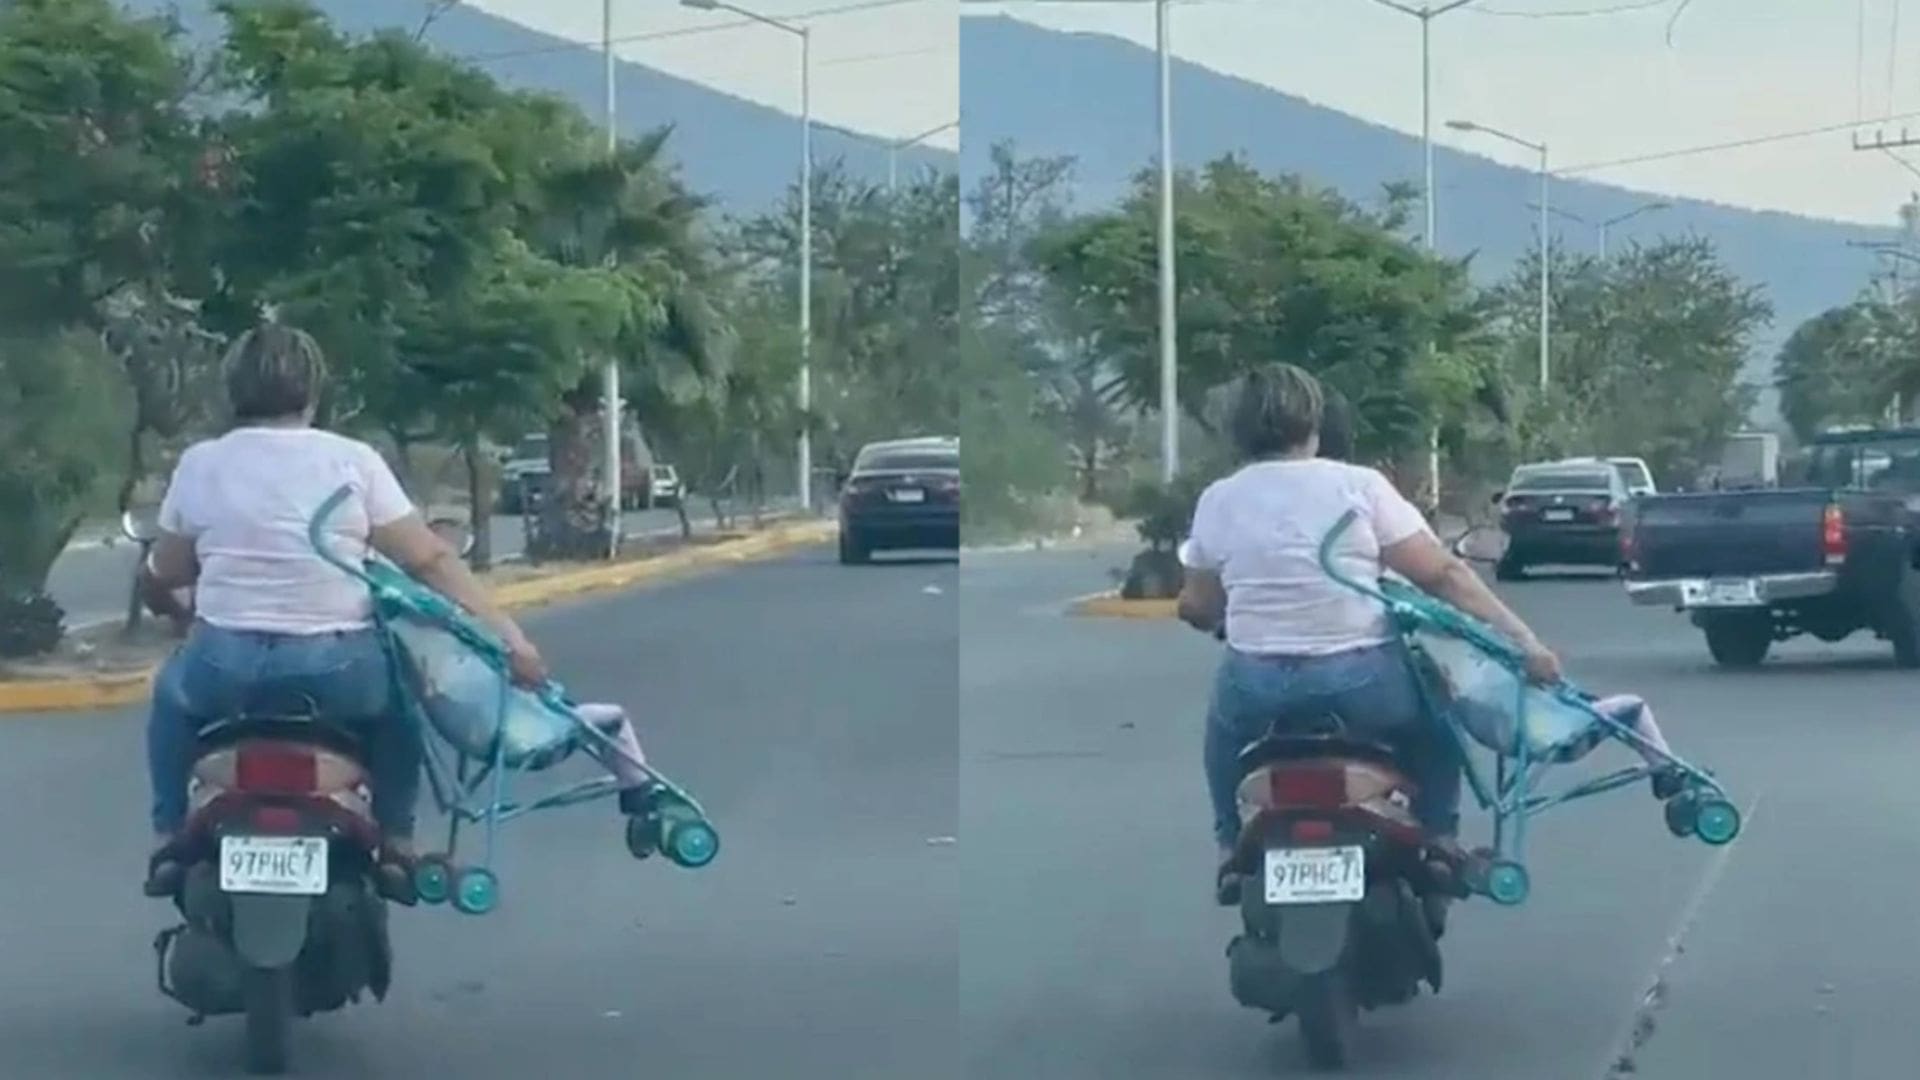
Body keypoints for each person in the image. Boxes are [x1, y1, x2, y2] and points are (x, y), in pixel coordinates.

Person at [140, 323, 549, 899]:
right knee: (397, 709)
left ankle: (166, 834)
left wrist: (170, 588)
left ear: (232, 390)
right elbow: (429, 559)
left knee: (170, 698)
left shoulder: (201, 464)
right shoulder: (352, 461)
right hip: (338, 671)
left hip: (223, 666)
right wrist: (510, 639)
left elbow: (169, 569)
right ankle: (398, 843)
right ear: (312, 392)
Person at [1176, 363, 1562, 902]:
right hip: (1361, 680)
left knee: (1222, 732)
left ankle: (1226, 842)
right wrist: (1526, 643)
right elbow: (1443, 575)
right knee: (1435, 722)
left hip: (1257, 682)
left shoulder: (1219, 499)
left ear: (1238, 430)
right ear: (1313, 423)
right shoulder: (1357, 487)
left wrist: (1212, 612)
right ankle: (1439, 838)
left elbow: (1198, 603)